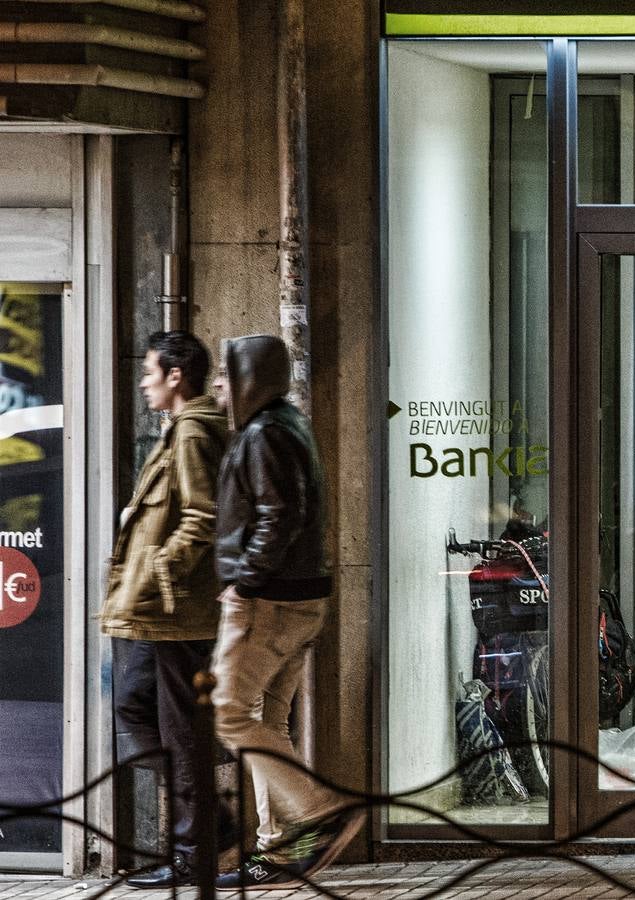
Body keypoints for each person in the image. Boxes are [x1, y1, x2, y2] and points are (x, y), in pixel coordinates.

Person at [209, 334, 362, 887]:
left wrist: (244, 583)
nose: (219, 388)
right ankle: (275, 851)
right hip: (300, 599)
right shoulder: (288, 426)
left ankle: (322, 809)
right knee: (268, 722)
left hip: (269, 602)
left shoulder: (263, 434)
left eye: (226, 377)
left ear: (249, 378)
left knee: (227, 711)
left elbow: (279, 514)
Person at [100, 331, 231, 887]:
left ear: (177, 374)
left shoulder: (195, 432)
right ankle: (213, 825)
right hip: (160, 611)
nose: (145, 381)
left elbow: (203, 514)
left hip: (177, 611)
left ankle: (193, 851)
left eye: (151, 371)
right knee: (135, 707)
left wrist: (162, 570)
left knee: (179, 730)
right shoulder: (180, 430)